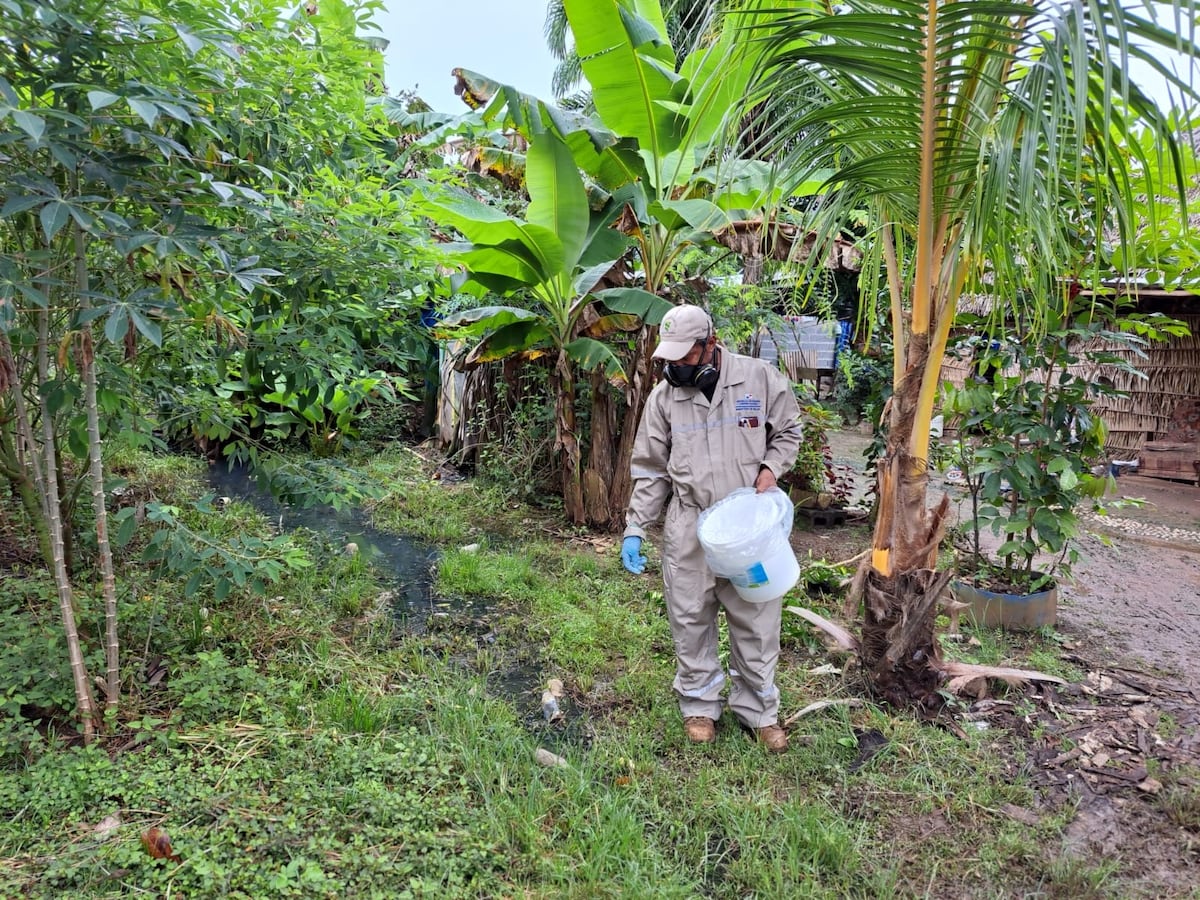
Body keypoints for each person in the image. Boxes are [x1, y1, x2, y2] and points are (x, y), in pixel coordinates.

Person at [620, 305, 802, 752]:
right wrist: (636, 528)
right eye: (670, 359)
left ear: (710, 344)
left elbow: (790, 431)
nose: (676, 366)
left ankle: (759, 711)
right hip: (689, 524)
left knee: (756, 619)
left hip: (747, 528)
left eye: (685, 356)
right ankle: (699, 706)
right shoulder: (664, 399)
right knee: (690, 617)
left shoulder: (758, 380)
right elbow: (650, 470)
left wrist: (771, 468)